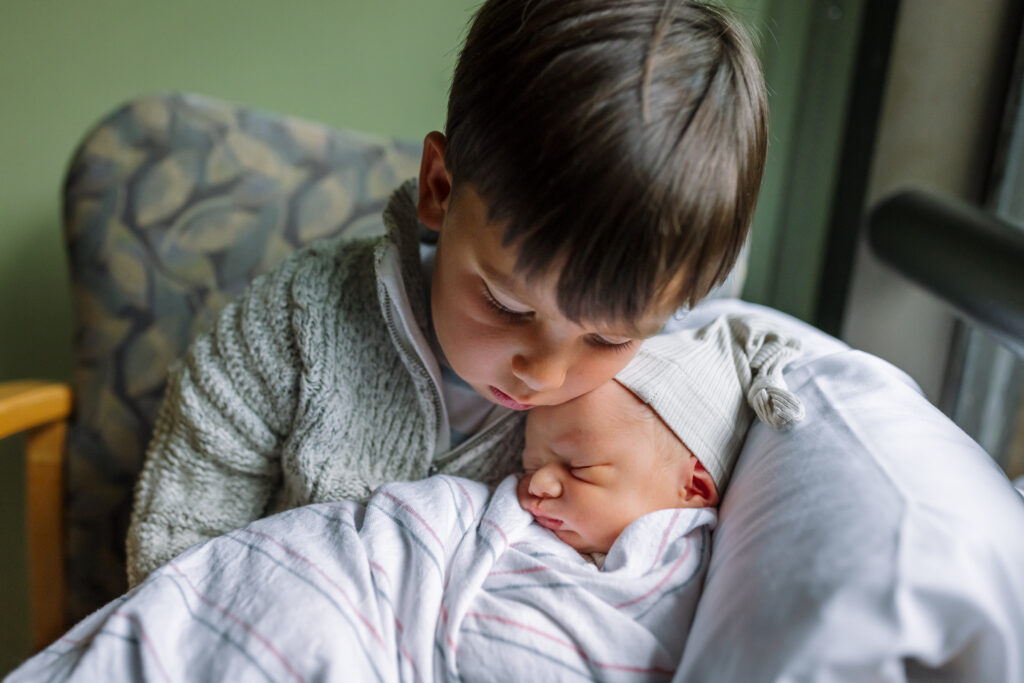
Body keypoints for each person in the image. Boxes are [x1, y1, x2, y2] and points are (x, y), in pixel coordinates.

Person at [126, 0, 768, 587]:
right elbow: (178, 540)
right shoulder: (295, 320)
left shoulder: (663, 414)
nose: (543, 375)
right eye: (507, 306)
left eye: (608, 338)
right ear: (439, 187)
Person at [11, 316, 803, 683]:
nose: (534, 483)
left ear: (693, 487)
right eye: (532, 458)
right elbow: (383, 553)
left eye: (578, 468)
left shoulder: (702, 576)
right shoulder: (486, 519)